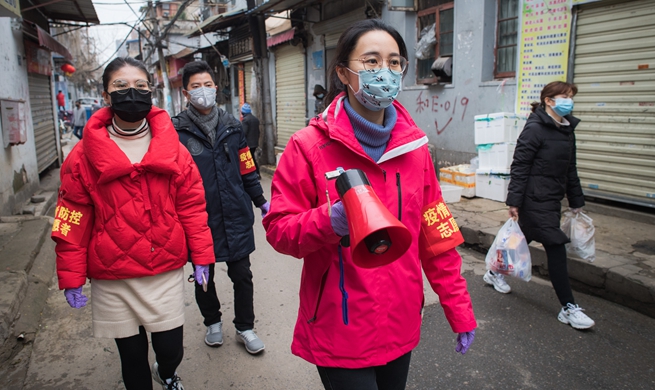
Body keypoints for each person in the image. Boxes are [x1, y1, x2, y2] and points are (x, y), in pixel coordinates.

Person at [262, 20, 477, 390]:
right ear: (344, 72)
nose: (385, 72)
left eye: (395, 63)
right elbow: (280, 230)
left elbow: (437, 237)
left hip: (400, 321)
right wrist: (331, 220)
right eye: (372, 61)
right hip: (338, 324)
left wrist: (459, 310)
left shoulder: (416, 150)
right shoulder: (307, 146)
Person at [51, 57, 215, 390]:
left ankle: (167, 372)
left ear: (151, 92)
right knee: (132, 357)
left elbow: (192, 207)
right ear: (106, 95)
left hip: (164, 268)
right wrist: (70, 276)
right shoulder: (82, 156)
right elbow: (71, 217)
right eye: (121, 87)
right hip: (113, 276)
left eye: (141, 87)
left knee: (171, 349)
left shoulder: (173, 150)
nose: (132, 94)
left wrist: (202, 257)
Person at [172, 60, 270, 355]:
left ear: (216, 88)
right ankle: (212, 322)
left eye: (207, 85)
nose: (203, 91)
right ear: (186, 93)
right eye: (195, 87)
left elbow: (247, 169)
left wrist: (261, 201)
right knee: (204, 276)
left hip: (236, 215)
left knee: (242, 274)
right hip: (199, 219)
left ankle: (245, 326)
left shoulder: (233, 127)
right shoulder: (176, 131)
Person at [486, 80, 595, 330]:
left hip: (552, 199)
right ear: (549, 100)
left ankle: (494, 273)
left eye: (571, 96)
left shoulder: (567, 129)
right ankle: (568, 307)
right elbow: (520, 165)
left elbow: (570, 169)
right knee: (556, 246)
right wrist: (514, 200)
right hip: (533, 199)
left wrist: (576, 202)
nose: (569, 101)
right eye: (564, 96)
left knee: (522, 238)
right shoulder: (535, 128)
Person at [240, 102, 261, 178]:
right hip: (254, 143)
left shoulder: (245, 120)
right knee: (252, 158)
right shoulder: (255, 119)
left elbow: (244, 133)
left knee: (249, 160)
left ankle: (254, 174)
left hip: (248, 144)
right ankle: (257, 173)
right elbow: (258, 132)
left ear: (243, 112)